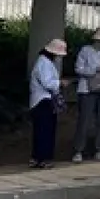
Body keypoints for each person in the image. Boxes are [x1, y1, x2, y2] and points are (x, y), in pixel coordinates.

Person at [73, 27, 100, 162]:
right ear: (96, 40)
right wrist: (96, 70)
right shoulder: (85, 51)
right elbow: (78, 69)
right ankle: (79, 150)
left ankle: (99, 149)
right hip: (87, 89)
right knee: (85, 120)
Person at [29, 38, 69, 168]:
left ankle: (37, 157)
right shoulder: (44, 63)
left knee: (41, 130)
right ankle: (44, 158)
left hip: (41, 100)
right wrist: (60, 83)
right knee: (46, 130)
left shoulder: (43, 62)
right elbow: (47, 83)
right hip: (43, 100)